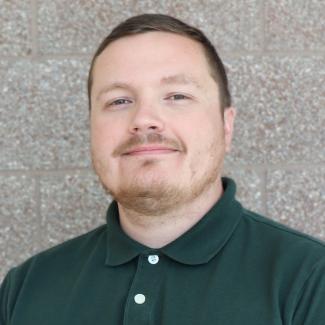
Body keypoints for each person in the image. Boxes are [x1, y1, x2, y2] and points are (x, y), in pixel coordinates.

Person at [0, 13, 324, 325]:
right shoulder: (25, 289)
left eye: (177, 95)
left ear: (226, 127)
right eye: (119, 101)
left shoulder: (310, 280)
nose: (143, 119)